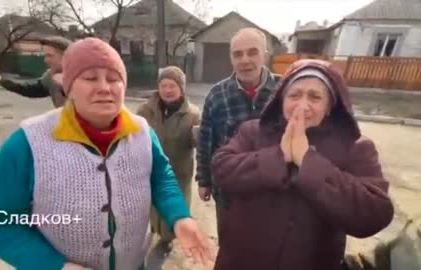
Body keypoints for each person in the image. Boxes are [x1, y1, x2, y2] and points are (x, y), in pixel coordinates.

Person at [0, 37, 214, 270]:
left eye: (113, 79)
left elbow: (162, 179)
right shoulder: (28, 143)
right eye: (90, 78)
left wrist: (180, 217)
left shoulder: (142, 132)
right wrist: (55, 266)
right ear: (69, 87)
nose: (104, 88)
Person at [210, 59, 394, 270]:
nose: (302, 105)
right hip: (239, 261)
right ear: (282, 100)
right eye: (294, 95)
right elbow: (221, 169)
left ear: (329, 107)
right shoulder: (254, 131)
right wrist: (279, 157)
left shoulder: (355, 147)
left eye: (315, 97)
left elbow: (375, 213)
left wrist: (307, 161)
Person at [195, 27, 280, 235]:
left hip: (273, 190)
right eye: (237, 54)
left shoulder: (285, 90)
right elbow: (206, 140)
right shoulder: (216, 94)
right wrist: (204, 180)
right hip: (228, 192)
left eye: (252, 52)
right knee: (230, 244)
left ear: (265, 56)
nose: (244, 60)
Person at [137, 66, 200, 252]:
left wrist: (199, 137)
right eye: (163, 85)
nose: (167, 90)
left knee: (173, 207)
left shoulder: (193, 114)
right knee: (151, 205)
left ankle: (167, 238)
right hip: (148, 167)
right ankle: (153, 231)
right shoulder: (145, 110)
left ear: (182, 88)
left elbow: (198, 142)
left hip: (178, 171)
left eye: (172, 85)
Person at [0, 36, 72, 108]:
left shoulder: (82, 77)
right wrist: (0, 80)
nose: (45, 60)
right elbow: (30, 89)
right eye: (45, 55)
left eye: (50, 56)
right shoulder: (50, 76)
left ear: (67, 56)